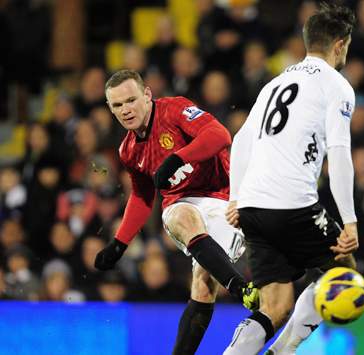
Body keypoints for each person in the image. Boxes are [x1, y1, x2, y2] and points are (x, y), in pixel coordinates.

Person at [224, 4, 359, 354]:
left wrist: (236, 199)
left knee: (275, 305)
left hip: (252, 205)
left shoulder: (276, 82)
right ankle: (283, 350)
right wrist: (349, 221)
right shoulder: (337, 86)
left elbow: (240, 140)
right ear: (340, 45)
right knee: (343, 271)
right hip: (292, 203)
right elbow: (340, 153)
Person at [93, 69, 258, 355]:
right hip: (179, 204)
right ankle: (242, 289)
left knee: (203, 284)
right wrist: (119, 244)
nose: (126, 110)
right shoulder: (128, 150)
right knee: (182, 217)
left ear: (147, 95)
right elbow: (143, 196)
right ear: (110, 108)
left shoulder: (175, 110)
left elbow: (219, 134)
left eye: (131, 100)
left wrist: (178, 157)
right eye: (117, 105)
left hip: (223, 199)